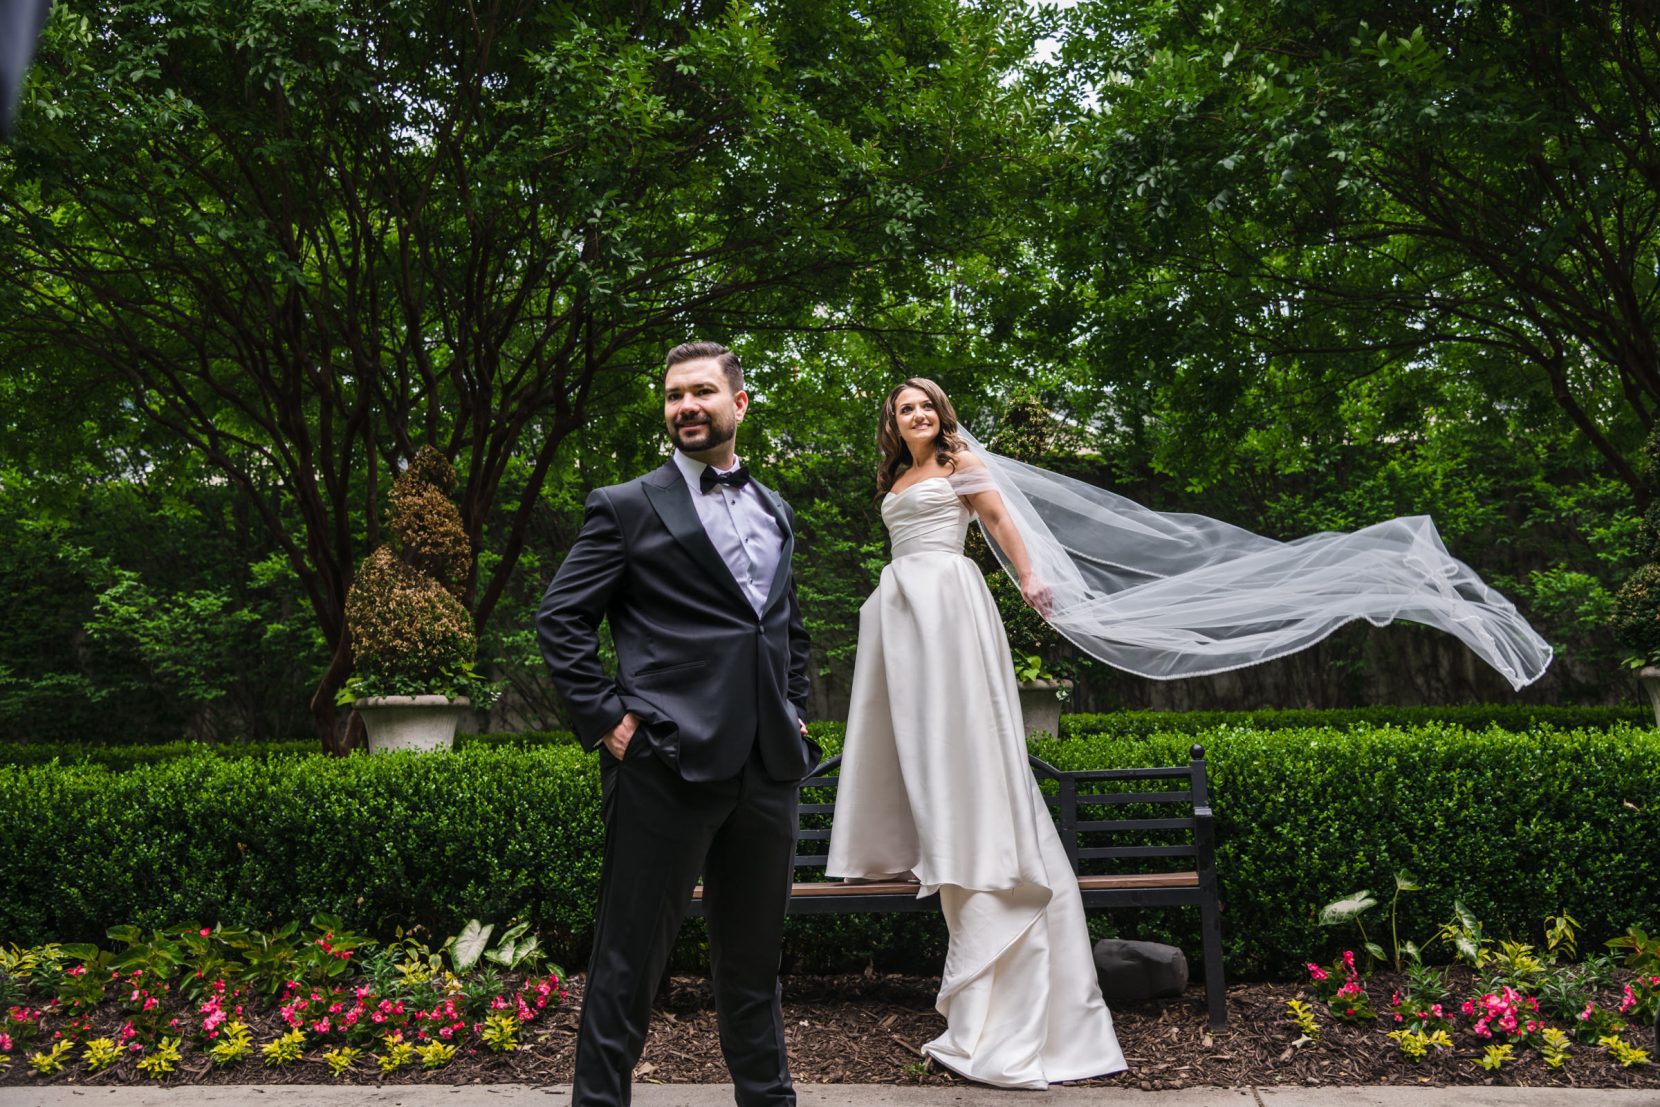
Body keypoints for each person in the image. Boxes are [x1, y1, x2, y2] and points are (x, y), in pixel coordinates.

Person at [825, 377, 1128, 1089]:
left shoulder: (961, 463)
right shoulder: (897, 476)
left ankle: (1013, 996)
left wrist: (1031, 579)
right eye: (906, 408)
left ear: (941, 414)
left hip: (951, 612)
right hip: (902, 620)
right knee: (923, 756)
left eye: (927, 404)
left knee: (966, 751)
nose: (919, 414)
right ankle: (937, 849)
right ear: (893, 423)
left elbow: (998, 520)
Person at [537, 341, 817, 1107]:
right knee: (628, 964)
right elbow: (561, 619)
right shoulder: (626, 504)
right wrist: (609, 723)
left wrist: (793, 713)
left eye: (700, 391)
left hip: (768, 770)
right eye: (672, 396)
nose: (685, 406)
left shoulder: (774, 507)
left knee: (754, 967)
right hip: (662, 763)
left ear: (740, 402)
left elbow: (784, 624)